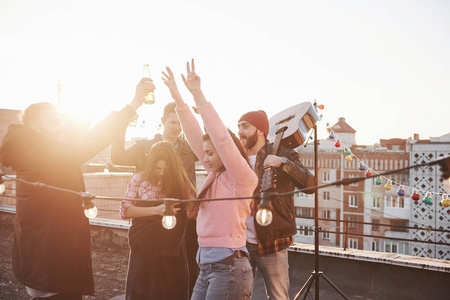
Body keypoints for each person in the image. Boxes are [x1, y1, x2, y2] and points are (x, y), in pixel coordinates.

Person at [0, 78, 154, 299]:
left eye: (60, 120)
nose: (60, 125)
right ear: (35, 126)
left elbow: (77, 138)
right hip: (50, 262)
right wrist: (133, 104)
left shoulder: (33, 147)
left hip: (47, 257)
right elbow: (87, 142)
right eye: (54, 122)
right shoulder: (38, 152)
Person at [162, 59, 258, 300]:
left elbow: (222, 139)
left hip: (229, 268)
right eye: (204, 153)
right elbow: (197, 136)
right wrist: (178, 99)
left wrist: (199, 96)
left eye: (210, 152)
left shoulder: (241, 179)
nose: (204, 157)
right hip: (207, 268)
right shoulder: (214, 175)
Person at [111, 101, 199, 295]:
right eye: (172, 122)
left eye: (180, 123)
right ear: (163, 121)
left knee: (181, 279)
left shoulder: (190, 148)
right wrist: (121, 121)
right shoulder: (146, 147)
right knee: (145, 284)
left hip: (181, 224)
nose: (176, 128)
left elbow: (215, 152)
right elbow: (117, 158)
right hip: (147, 233)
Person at [238, 110, 316, 299]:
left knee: (278, 297)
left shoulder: (284, 154)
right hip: (240, 243)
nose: (240, 131)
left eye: (245, 126)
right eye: (238, 126)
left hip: (273, 241)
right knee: (239, 295)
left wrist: (283, 163)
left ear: (261, 131)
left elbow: (311, 186)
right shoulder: (237, 158)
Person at [121, 141, 196, 300]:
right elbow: (125, 210)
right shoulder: (139, 179)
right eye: (157, 168)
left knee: (170, 291)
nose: (161, 173)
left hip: (171, 251)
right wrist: (157, 210)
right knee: (141, 291)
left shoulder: (180, 182)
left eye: (166, 169)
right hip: (143, 248)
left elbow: (193, 212)